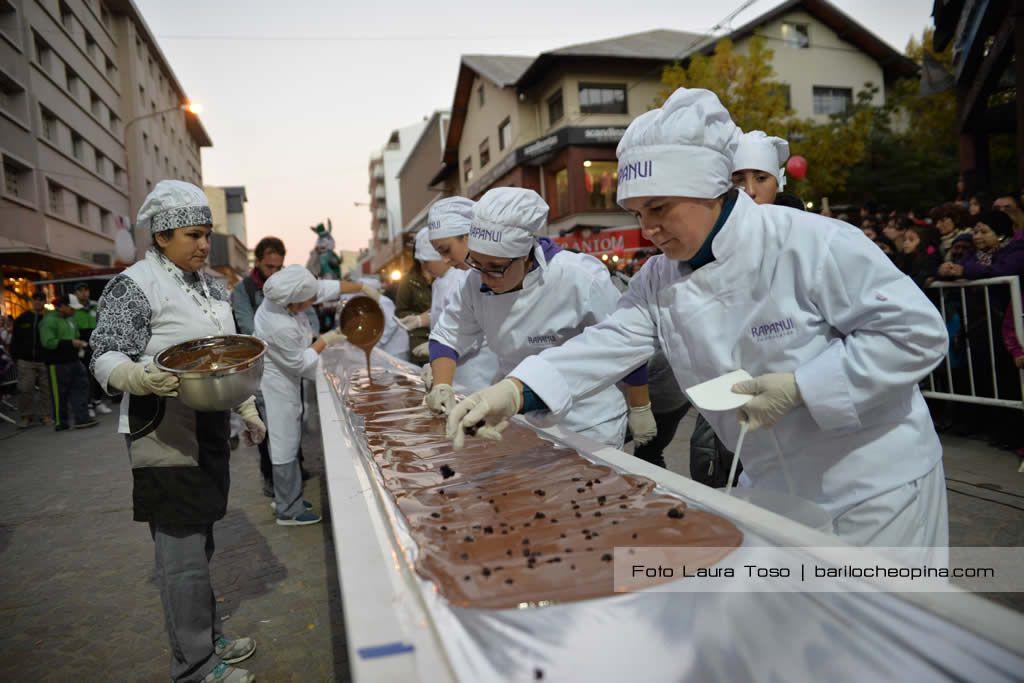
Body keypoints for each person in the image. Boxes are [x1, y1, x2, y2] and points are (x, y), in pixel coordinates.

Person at [447, 88, 950, 556]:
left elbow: (915, 334)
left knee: (888, 635)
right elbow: (606, 343)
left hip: (877, 485)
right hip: (772, 482)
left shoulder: (812, 243)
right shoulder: (657, 279)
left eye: (659, 208)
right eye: (637, 213)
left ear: (711, 189)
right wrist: (514, 391)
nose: (648, 229)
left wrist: (803, 386)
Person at [90, 180, 264, 683]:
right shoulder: (134, 284)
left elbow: (229, 355)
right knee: (181, 555)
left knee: (203, 537)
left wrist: (247, 407)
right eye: (193, 234)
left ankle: (206, 636)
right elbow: (105, 354)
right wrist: (137, 376)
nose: (204, 245)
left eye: (207, 234)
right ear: (161, 236)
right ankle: (193, 666)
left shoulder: (211, 286)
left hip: (210, 425)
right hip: (163, 430)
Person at [426, 187, 652, 449]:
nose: (484, 277)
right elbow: (447, 336)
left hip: (587, 421)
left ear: (524, 254)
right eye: (476, 263)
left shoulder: (577, 277)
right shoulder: (473, 284)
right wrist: (442, 385)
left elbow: (624, 343)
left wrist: (640, 406)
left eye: (495, 268)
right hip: (518, 411)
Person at [254, 265, 347, 526]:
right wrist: (326, 340)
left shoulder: (282, 299)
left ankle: (287, 497)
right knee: (284, 446)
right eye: (306, 302)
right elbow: (300, 364)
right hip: (275, 388)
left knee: (289, 443)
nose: (311, 304)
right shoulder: (279, 324)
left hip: (283, 383)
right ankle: (288, 510)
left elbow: (323, 289)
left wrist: (364, 289)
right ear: (293, 301)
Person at [419, 198, 500, 392]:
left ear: (470, 235)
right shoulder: (470, 280)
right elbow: (451, 332)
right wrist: (439, 360)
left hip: (484, 377)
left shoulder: (569, 273)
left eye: (446, 250)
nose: (445, 260)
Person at [40, 295, 96, 431]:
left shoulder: (70, 319)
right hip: (56, 363)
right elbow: (48, 342)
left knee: (81, 387)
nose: (73, 310)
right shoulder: (48, 321)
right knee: (59, 393)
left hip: (74, 360)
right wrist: (71, 342)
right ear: (61, 306)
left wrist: (77, 342)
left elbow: (75, 335)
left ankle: (81, 418)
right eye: (71, 307)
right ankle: (61, 421)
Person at [11, 292, 53, 428]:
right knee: (25, 388)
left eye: (41, 300)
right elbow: (15, 340)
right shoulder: (22, 319)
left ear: (44, 302)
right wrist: (15, 358)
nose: (38, 302)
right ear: (31, 301)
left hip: (44, 360)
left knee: (45, 389)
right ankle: (26, 416)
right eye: (36, 299)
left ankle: (45, 415)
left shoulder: (49, 318)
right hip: (25, 361)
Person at [71, 281, 111, 417]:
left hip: (97, 343)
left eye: (85, 290)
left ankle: (98, 401)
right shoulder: (72, 309)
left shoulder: (95, 305)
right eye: (80, 290)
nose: (83, 292)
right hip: (81, 345)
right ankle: (88, 405)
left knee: (99, 373)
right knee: (85, 377)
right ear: (75, 293)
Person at [395, 253, 435, 365]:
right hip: (419, 337)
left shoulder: (443, 278)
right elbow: (400, 311)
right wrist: (419, 318)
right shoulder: (408, 281)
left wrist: (432, 315)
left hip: (441, 336)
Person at [898, 226, 942, 290]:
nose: (906, 242)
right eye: (904, 239)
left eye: (911, 239)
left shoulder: (931, 259)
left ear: (923, 240)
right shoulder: (902, 258)